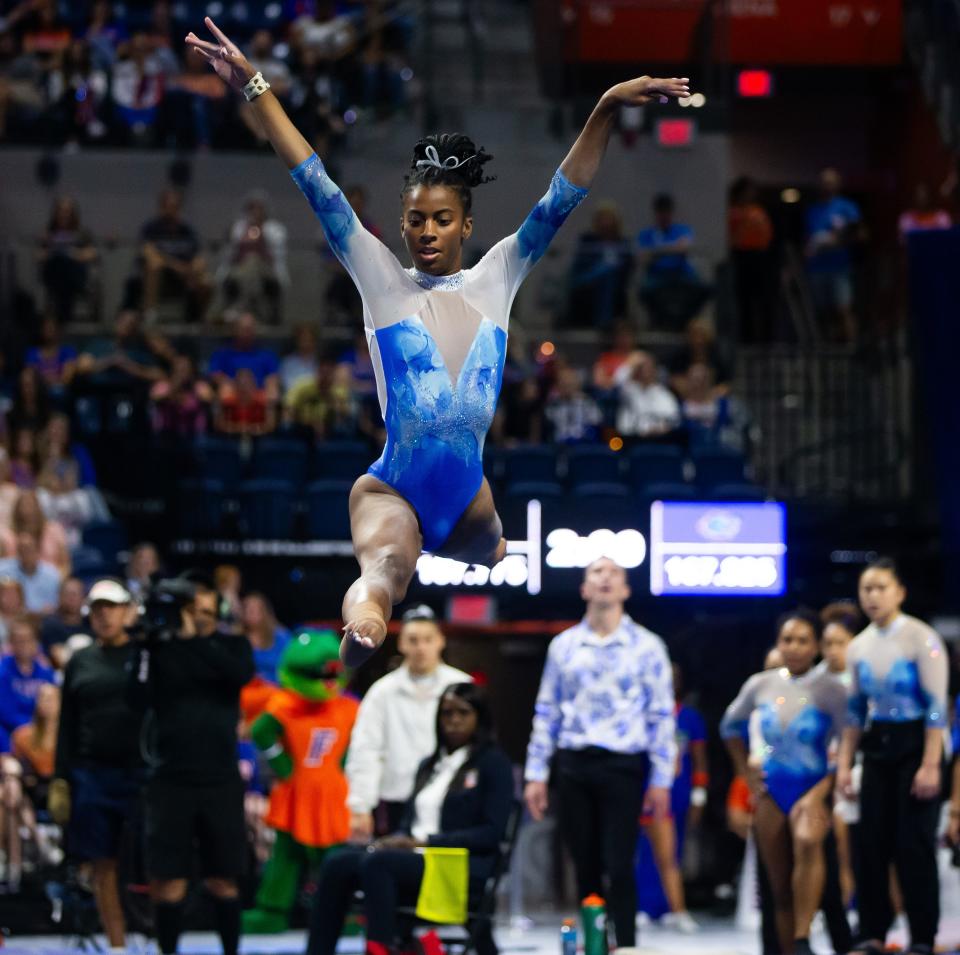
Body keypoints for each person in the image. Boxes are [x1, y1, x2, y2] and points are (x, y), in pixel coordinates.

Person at [185, 16, 689, 667]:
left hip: (469, 504)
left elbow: (561, 198)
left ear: (466, 224)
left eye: (442, 219)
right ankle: (364, 630)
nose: (427, 231)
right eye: (416, 219)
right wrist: (255, 85)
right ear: (401, 224)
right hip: (394, 484)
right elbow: (314, 180)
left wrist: (603, 107)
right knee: (387, 567)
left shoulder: (498, 274)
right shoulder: (381, 279)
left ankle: (449, 558)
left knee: (497, 551)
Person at [523, 557, 677, 949]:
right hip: (573, 763)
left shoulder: (648, 646)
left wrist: (661, 779)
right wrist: (536, 773)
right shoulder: (564, 646)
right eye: (596, 572)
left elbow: (661, 716)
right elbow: (547, 711)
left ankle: (625, 942)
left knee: (619, 862)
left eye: (614, 573)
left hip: (623, 765)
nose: (605, 578)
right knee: (585, 862)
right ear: (584, 589)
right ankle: (595, 941)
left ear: (626, 590)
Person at [307, 682, 514, 955]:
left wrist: (426, 841)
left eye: (463, 713)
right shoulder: (429, 765)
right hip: (415, 857)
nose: (453, 721)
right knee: (338, 862)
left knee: (380, 862)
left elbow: (491, 833)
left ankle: (382, 948)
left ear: (480, 718)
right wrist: (398, 839)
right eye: (446, 713)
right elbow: (409, 822)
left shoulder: (494, 764)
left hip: (459, 864)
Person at [128, 578, 255, 955]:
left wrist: (194, 640)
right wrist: (149, 647)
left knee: (223, 879)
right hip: (171, 779)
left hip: (220, 778)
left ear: (215, 610)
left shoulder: (233, 645)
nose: (194, 615)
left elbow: (239, 675)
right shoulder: (159, 648)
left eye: (201, 608)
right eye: (189, 608)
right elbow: (135, 697)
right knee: (168, 880)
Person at [836, 557, 947, 955]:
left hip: (918, 741)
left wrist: (931, 763)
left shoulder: (922, 638)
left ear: (899, 592)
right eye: (866, 588)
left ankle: (921, 936)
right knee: (871, 845)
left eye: (881, 587)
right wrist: (846, 765)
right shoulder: (859, 646)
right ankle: (872, 933)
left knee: (912, 845)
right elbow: (853, 713)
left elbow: (937, 707)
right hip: (878, 742)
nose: (873, 596)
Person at [720, 610, 847, 955]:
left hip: (814, 788)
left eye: (803, 640)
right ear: (778, 642)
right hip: (772, 790)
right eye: (787, 639)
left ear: (816, 646)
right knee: (778, 891)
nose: (794, 647)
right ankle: (789, 947)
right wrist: (744, 773)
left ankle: (804, 937)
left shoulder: (831, 690)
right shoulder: (761, 684)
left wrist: (830, 785)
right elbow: (729, 727)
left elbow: (848, 742)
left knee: (808, 842)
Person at [49, 579, 143, 953]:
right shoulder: (80, 661)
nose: (104, 615)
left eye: (111, 608)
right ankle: (117, 945)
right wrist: (60, 779)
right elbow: (67, 724)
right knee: (102, 864)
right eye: (97, 609)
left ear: (126, 612)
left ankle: (150, 937)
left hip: (140, 773)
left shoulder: (144, 655)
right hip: (92, 774)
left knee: (144, 861)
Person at [345, 604, 472, 840]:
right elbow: (366, 749)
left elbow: (480, 747)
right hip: (397, 801)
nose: (420, 647)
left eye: (427, 639)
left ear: (440, 641)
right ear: (402, 643)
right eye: (413, 640)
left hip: (450, 800)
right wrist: (360, 806)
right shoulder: (382, 692)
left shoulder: (463, 687)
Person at [636, 661, 706, 932]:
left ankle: (670, 907)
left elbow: (699, 759)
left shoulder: (689, 717)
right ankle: (646, 906)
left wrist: (699, 794)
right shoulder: (645, 717)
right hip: (652, 791)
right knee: (647, 851)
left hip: (679, 791)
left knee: (674, 850)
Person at [127, 186, 212, 321]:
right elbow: (148, 252)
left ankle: (199, 318)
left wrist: (195, 266)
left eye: (176, 206)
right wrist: (177, 266)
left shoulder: (187, 231)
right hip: (159, 278)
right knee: (154, 264)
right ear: (162, 207)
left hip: (183, 278)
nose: (173, 210)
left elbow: (198, 255)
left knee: (205, 278)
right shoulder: (150, 229)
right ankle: (150, 314)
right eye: (169, 206)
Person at [805, 168, 863, 343]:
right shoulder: (812, 210)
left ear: (838, 184)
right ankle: (828, 349)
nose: (827, 185)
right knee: (822, 311)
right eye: (824, 182)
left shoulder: (847, 207)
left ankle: (851, 347)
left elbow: (859, 233)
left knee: (843, 308)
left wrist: (838, 241)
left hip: (839, 267)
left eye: (830, 182)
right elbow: (807, 239)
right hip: (816, 267)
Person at [637, 193, 710, 330]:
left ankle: (686, 322)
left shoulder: (682, 230)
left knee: (705, 289)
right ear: (656, 213)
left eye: (667, 211)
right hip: (657, 276)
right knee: (644, 292)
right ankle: (658, 324)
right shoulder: (646, 234)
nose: (664, 215)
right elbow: (643, 257)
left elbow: (684, 248)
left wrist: (656, 252)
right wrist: (671, 248)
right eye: (661, 211)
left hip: (681, 273)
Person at [216, 190, 289, 323]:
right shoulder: (238, 228)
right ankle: (250, 311)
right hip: (239, 270)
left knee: (253, 262)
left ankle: (242, 309)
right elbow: (230, 255)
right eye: (252, 208)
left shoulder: (276, 229)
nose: (256, 211)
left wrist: (261, 233)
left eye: (259, 208)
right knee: (249, 266)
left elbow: (277, 255)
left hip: (268, 271)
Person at [564, 201, 634, 328]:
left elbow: (628, 268)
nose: (605, 223)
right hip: (587, 281)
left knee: (608, 275)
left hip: (614, 285)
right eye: (602, 219)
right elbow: (581, 264)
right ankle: (602, 322)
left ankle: (604, 323)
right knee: (605, 271)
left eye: (609, 219)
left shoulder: (622, 243)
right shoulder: (588, 240)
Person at [36, 196, 99, 324]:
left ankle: (60, 319)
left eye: (67, 211)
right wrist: (52, 251)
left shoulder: (82, 233)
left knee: (66, 266)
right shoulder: (48, 233)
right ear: (55, 213)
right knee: (58, 264)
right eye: (61, 211)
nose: (64, 215)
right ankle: (58, 319)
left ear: (73, 214)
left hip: (74, 276)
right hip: (54, 276)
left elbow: (92, 254)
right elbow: (38, 255)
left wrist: (73, 254)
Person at [727, 177, 774, 343]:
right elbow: (732, 238)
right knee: (744, 301)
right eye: (748, 191)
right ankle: (747, 339)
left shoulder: (758, 212)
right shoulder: (734, 212)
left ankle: (766, 340)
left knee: (763, 299)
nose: (751, 194)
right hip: (742, 258)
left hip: (760, 258)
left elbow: (767, 236)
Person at [0, 616, 55, 752]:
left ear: (36, 642)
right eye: (18, 640)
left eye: (28, 639)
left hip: (42, 732)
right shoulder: (3, 671)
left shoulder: (46, 672)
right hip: (10, 732)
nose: (24, 644)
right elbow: (6, 714)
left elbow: (54, 706)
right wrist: (33, 728)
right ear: (10, 643)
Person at [207, 311, 280, 404]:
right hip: (232, 394)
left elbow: (273, 378)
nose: (247, 332)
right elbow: (215, 375)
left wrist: (268, 388)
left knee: (273, 393)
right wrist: (233, 385)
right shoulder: (222, 354)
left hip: (259, 396)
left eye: (250, 328)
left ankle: (269, 418)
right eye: (243, 328)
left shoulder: (267, 355)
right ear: (235, 329)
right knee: (225, 391)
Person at [613, 350, 682, 443]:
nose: (645, 370)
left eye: (649, 367)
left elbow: (674, 419)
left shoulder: (664, 394)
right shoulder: (629, 389)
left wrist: (659, 428)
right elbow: (618, 381)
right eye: (642, 367)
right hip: (630, 440)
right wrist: (632, 364)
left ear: (655, 370)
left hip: (658, 440)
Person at [0, 489, 70, 578]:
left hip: (51, 582)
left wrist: (54, 581)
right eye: (23, 505)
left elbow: (65, 564)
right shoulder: (6, 535)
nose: (27, 510)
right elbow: (2, 566)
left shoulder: (54, 530)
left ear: (38, 508)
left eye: (30, 505)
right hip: (14, 584)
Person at [0, 532, 61, 614]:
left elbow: (55, 604)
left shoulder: (52, 574)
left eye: (29, 550)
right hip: (11, 616)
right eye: (22, 550)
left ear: (38, 551)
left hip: (42, 618)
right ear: (17, 552)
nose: (26, 554)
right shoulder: (3, 569)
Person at [543, 365, 603, 445]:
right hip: (558, 447)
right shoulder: (552, 406)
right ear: (557, 385)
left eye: (570, 382)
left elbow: (596, 424)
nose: (567, 385)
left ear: (576, 384)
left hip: (582, 446)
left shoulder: (587, 403)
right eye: (563, 382)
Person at [242, 591, 291, 683]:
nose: (248, 612)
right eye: (245, 608)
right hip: (251, 692)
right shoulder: (238, 638)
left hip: (278, 690)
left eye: (253, 609)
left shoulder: (281, 636)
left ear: (264, 612)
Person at [39, 576, 87, 669]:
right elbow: (57, 657)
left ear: (84, 597)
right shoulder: (50, 624)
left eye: (75, 594)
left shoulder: (91, 623)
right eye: (67, 594)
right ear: (59, 596)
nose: (71, 599)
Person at [25, 316, 78, 399]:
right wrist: (55, 379)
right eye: (46, 328)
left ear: (58, 331)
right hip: (37, 396)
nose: (49, 331)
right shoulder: (32, 352)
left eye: (51, 328)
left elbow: (66, 379)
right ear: (41, 331)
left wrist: (44, 379)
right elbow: (31, 378)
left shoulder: (68, 351)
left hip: (61, 396)